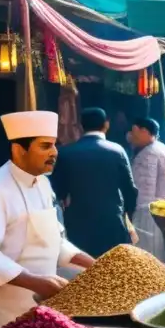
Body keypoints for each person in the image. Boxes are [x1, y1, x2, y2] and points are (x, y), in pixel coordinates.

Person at [0, 111, 95, 328]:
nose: (55, 152)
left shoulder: (43, 184)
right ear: (18, 150)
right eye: (45, 146)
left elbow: (56, 239)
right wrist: (35, 281)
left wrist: (95, 266)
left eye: (54, 145)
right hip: (6, 312)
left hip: (45, 308)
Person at [50, 108, 138, 258]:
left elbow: (58, 192)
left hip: (77, 222)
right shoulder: (117, 151)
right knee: (113, 270)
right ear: (106, 124)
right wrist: (128, 217)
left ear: (81, 126)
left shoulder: (65, 153)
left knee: (84, 270)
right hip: (111, 221)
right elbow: (130, 190)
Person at [129, 117, 165, 260]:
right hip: (164, 210)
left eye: (134, 131)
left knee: (149, 256)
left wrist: (134, 213)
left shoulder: (149, 154)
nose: (131, 136)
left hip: (149, 214)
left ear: (144, 131)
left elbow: (144, 189)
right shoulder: (162, 148)